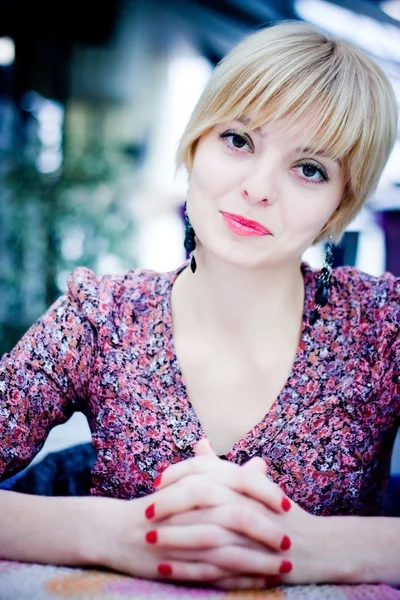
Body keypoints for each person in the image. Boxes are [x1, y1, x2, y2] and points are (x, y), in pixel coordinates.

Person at [0, 19, 399, 591]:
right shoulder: (102, 317)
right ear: (193, 146)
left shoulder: (382, 327)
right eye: (238, 139)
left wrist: (308, 547)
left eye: (310, 169)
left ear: (339, 208)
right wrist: (114, 532)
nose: (259, 187)